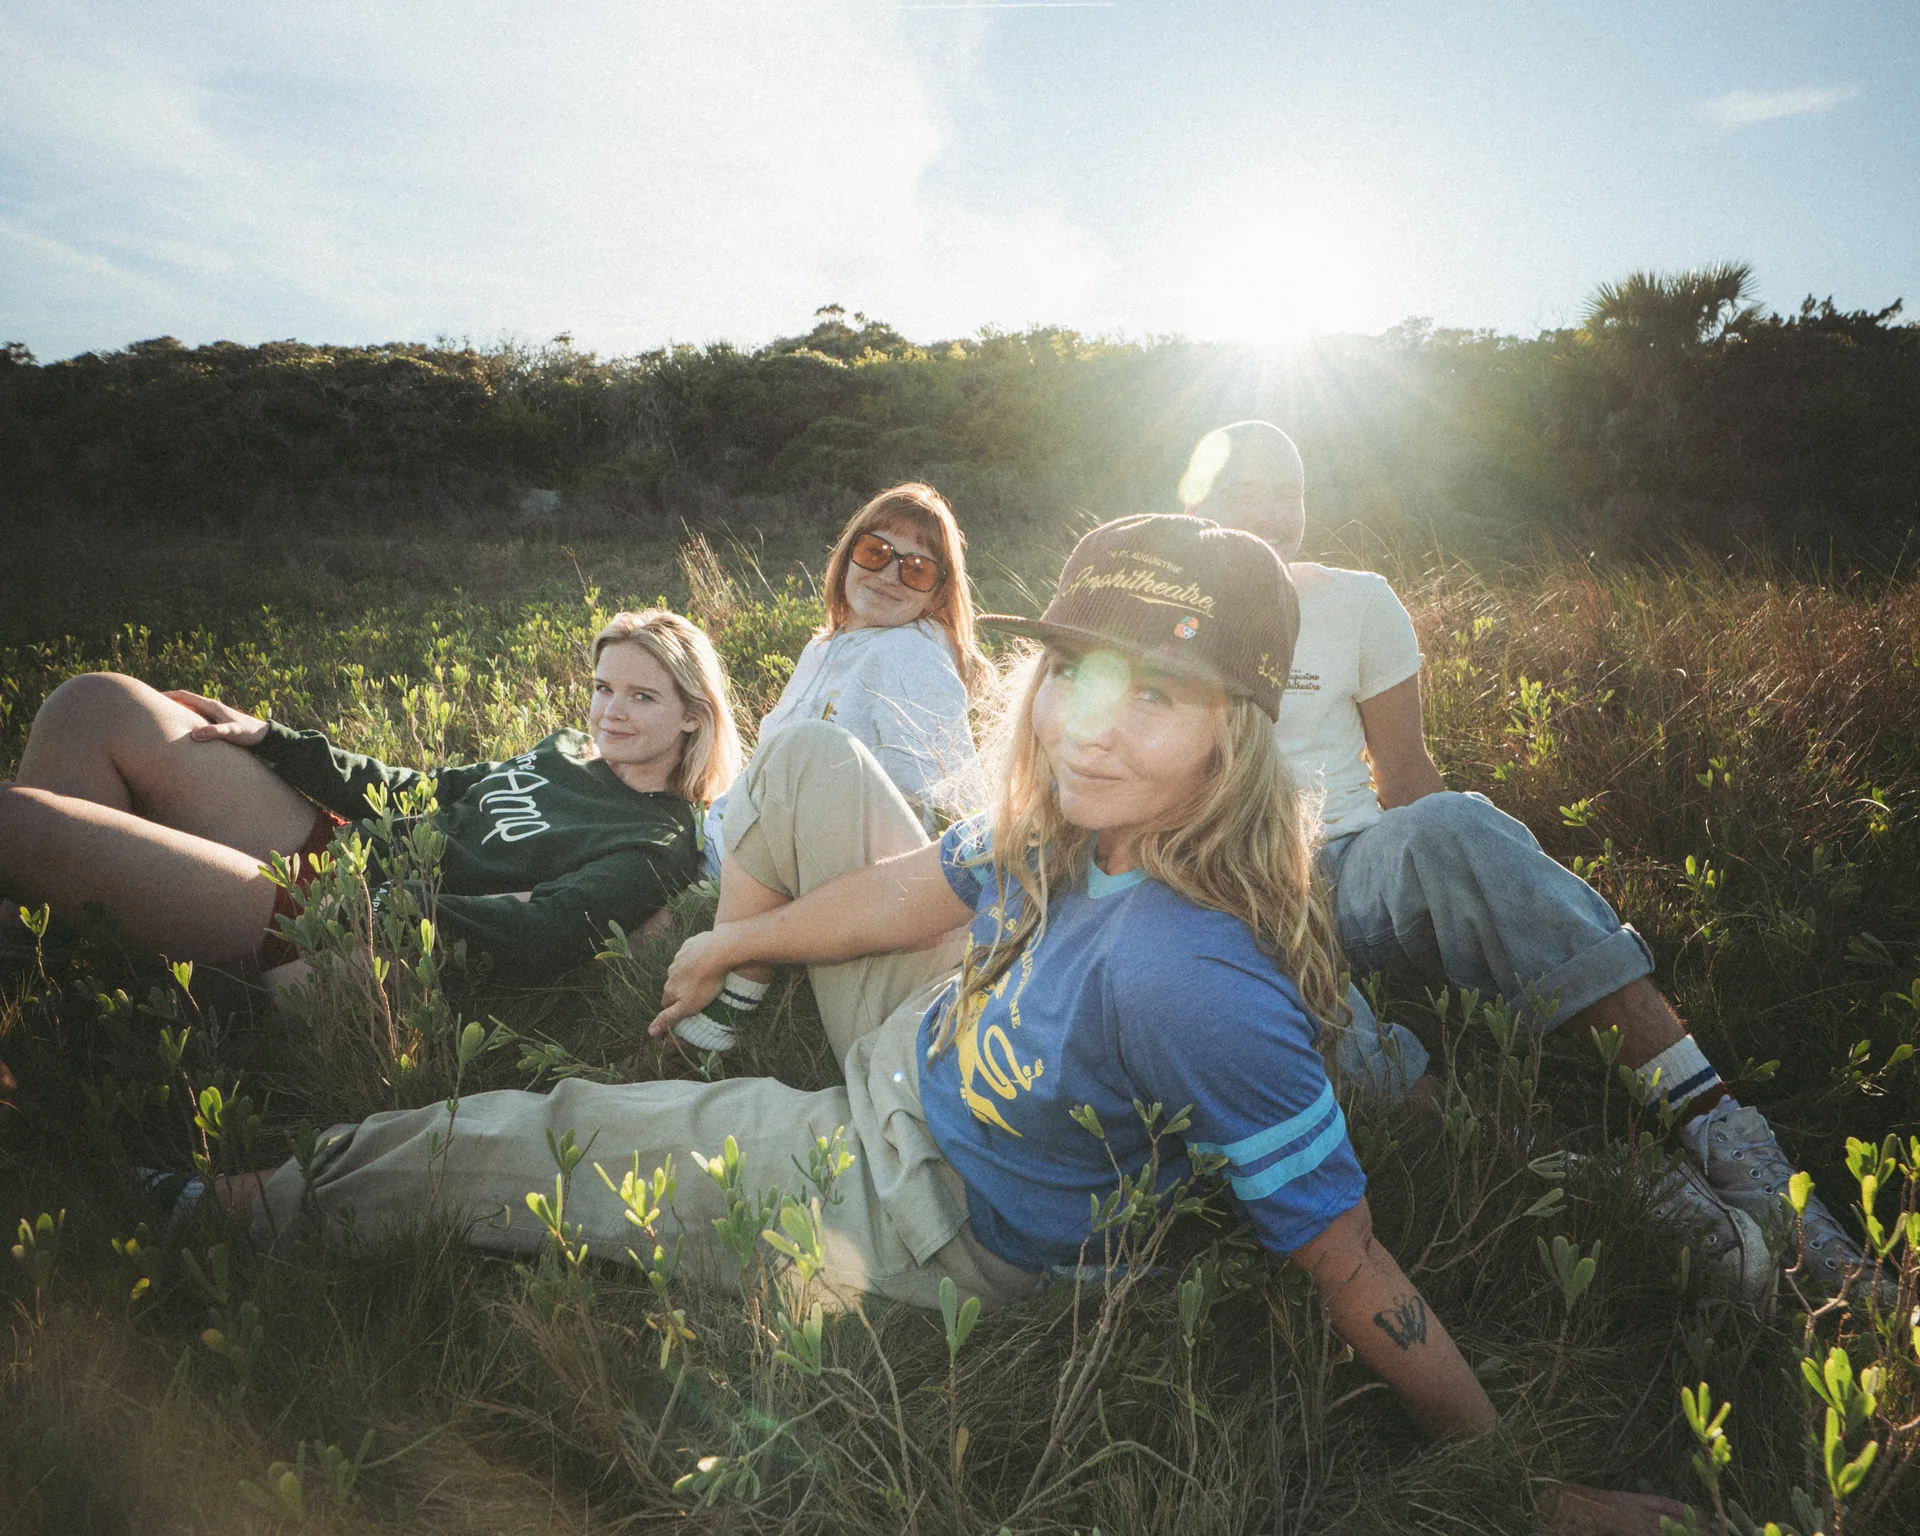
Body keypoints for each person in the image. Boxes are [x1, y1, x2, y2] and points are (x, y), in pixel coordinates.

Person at [228, 516, 1680, 1531]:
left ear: (1238, 729)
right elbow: (919, 883)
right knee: (811, 777)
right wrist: (738, 935)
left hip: (913, 1196)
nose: (1092, 728)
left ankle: (257, 1202)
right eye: (1076, 678)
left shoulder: (1185, 976)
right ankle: (730, 1005)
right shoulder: (1078, 822)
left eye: (1157, 694)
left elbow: (1354, 1260)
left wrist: (1510, 1487)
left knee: (555, 1141)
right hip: (940, 1042)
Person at [1179, 420, 1865, 1296]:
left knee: (1458, 822)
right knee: (1302, 999)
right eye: (1248, 494)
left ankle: (1731, 1141)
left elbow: (1409, 778)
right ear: (1196, 506)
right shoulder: (1172, 616)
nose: (1274, 514)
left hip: (1356, 862)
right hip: (1239, 887)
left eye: (1291, 492)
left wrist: (1482, 901)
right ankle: (1566, 1171)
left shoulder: (1357, 599)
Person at [0, 609, 740, 985]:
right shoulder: (566, 752)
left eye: (641, 696)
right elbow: (420, 789)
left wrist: (372, 917)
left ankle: (47, 979)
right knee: (92, 702)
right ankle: (40, 972)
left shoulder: (658, 841)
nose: (610, 713)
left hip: (341, 921)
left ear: (692, 715)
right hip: (330, 848)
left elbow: (545, 932)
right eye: (603, 688)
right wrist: (275, 741)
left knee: (17, 822)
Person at [678, 481, 991, 1050]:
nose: (890, 575)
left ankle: (737, 992)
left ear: (937, 593)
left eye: (916, 570)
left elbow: (947, 803)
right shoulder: (825, 646)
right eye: (876, 553)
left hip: (855, 874)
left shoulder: (911, 654)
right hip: (767, 853)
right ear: (848, 555)